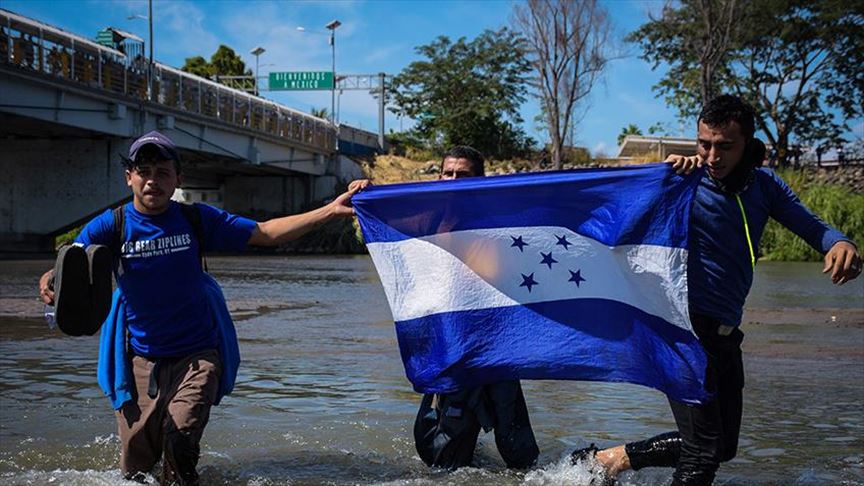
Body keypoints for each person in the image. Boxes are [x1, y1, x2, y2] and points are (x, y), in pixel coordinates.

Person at [38, 130, 367, 485]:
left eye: (163, 172)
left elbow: (266, 232)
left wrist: (330, 211)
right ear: (129, 177)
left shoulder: (195, 219)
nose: (152, 180)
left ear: (178, 179)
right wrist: (51, 279)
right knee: (135, 472)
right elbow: (72, 261)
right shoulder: (112, 224)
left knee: (179, 442)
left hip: (197, 355)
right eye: (144, 170)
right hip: (140, 360)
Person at [570, 95, 861, 485]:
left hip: (726, 335)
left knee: (722, 447)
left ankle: (612, 459)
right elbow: (610, 212)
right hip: (682, 331)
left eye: (725, 146)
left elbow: (812, 227)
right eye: (703, 144)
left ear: (748, 145)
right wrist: (669, 176)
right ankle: (613, 461)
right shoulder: (679, 182)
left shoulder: (765, 186)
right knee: (702, 454)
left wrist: (840, 243)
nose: (711, 156)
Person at [413, 145, 540, 470]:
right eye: (448, 173)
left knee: (518, 450)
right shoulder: (425, 223)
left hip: (494, 346)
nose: (453, 180)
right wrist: (363, 192)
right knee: (439, 452)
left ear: (479, 180)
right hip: (450, 349)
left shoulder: (497, 226)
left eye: (463, 174)